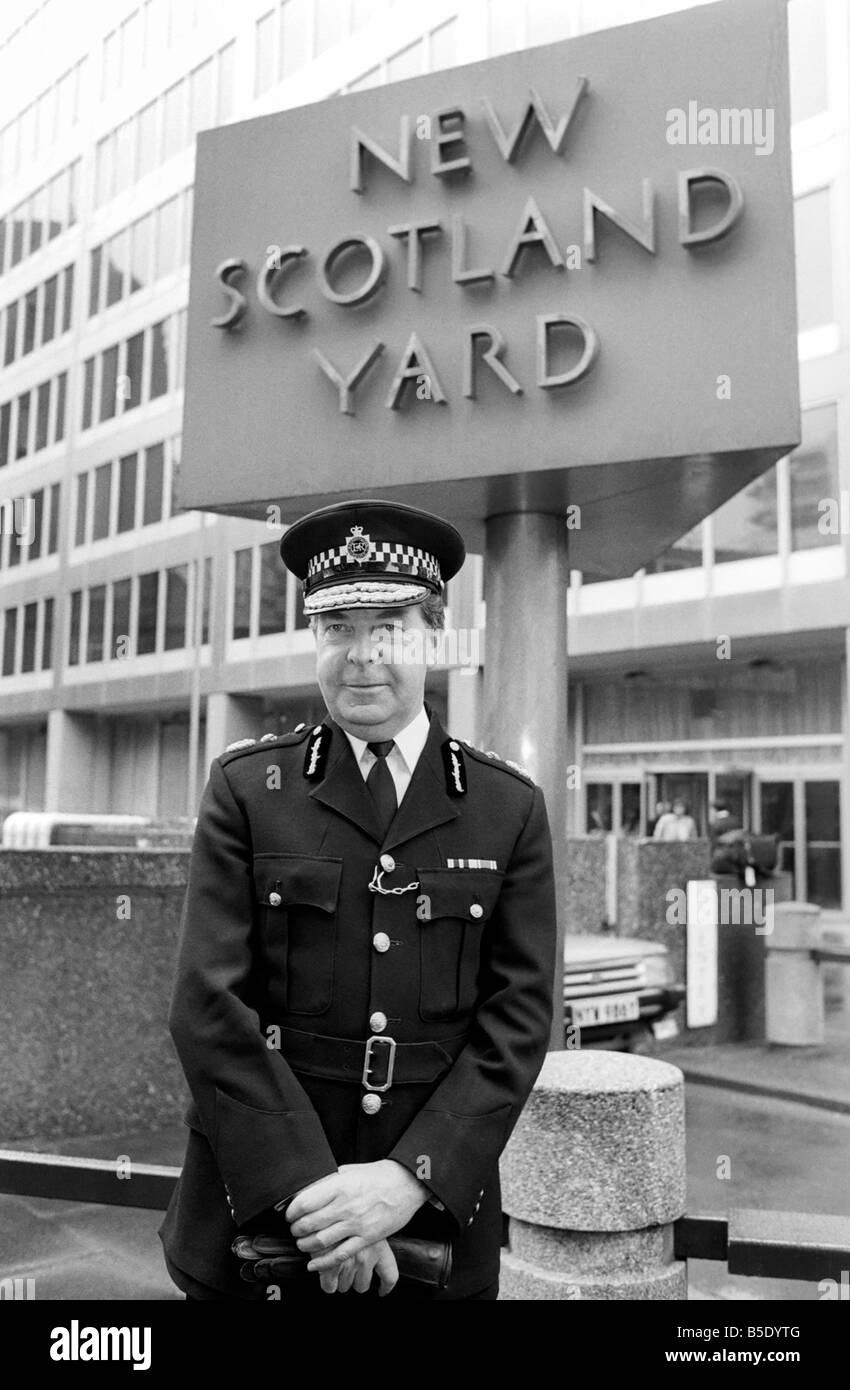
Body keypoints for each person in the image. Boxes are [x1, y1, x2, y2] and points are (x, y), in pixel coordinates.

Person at [159, 498, 557, 1302]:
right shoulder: (249, 790)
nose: (361, 656)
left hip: (430, 1239)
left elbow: (518, 1020)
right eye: (338, 628)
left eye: (390, 627)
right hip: (258, 1230)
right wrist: (319, 1199)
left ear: (433, 636)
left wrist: (406, 1184)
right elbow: (206, 1008)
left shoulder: (505, 806)